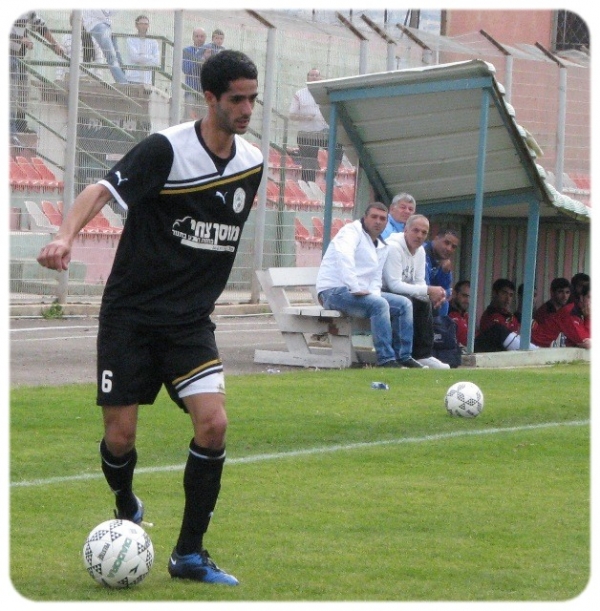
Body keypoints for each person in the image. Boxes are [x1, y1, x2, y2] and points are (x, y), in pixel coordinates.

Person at [37, 50, 264, 586]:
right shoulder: (166, 149)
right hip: (131, 317)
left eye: (253, 99)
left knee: (214, 424)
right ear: (210, 97)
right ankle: (125, 501)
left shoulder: (252, 163)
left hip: (189, 323)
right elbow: (102, 190)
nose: (246, 109)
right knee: (120, 438)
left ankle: (189, 555)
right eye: (237, 99)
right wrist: (65, 236)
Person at [316, 202, 425, 368]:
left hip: (361, 294)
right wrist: (354, 287)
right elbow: (344, 258)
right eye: (374, 217)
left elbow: (376, 278)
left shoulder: (382, 245)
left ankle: (404, 356)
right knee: (379, 305)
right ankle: (386, 359)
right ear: (365, 217)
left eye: (382, 218)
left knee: (404, 304)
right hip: (333, 292)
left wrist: (373, 294)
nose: (378, 221)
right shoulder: (351, 232)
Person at [382, 214, 451, 369]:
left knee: (424, 301)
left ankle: (423, 355)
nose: (419, 235)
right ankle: (403, 355)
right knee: (406, 303)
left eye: (424, 232)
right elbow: (393, 285)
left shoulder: (420, 251)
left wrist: (432, 294)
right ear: (406, 230)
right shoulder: (393, 247)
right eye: (416, 230)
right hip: (382, 291)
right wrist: (427, 290)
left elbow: (419, 281)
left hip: (401, 293)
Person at [10, 11, 65, 136]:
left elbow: (40, 25)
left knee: (16, 94)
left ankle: (16, 128)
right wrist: (20, 39)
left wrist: (54, 44)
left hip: (16, 57)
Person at [289, 68, 343, 183]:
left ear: (320, 78)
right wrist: (305, 117)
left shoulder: (326, 93)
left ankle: (330, 176)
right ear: (307, 77)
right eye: (311, 75)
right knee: (309, 165)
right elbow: (292, 115)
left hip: (323, 132)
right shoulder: (299, 94)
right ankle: (309, 186)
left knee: (338, 148)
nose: (314, 77)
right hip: (306, 134)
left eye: (316, 75)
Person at [475, 279, 538, 352]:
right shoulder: (490, 317)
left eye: (511, 295)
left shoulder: (511, 316)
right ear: (494, 293)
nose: (508, 299)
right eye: (504, 293)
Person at [81, 10, 128, 84]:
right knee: (111, 56)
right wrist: (107, 13)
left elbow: (111, 12)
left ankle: (125, 81)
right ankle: (123, 83)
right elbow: (103, 13)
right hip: (96, 25)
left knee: (117, 56)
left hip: (107, 25)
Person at [424, 227, 460, 316]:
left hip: (428, 299)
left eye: (453, 247)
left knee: (444, 302)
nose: (449, 248)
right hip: (413, 294)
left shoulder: (443, 260)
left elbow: (446, 290)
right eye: (446, 243)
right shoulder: (422, 252)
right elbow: (425, 286)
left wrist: (445, 272)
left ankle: (438, 324)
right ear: (436, 239)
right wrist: (443, 293)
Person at [530, 277, 571, 347]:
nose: (565, 296)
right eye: (560, 292)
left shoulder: (566, 310)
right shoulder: (543, 312)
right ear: (552, 292)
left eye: (567, 292)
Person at [125, 14, 160, 85]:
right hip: (132, 78)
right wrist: (150, 57)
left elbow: (156, 61)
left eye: (146, 24)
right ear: (136, 25)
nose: (143, 26)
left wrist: (141, 56)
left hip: (147, 81)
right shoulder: (130, 39)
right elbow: (135, 57)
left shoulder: (153, 41)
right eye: (141, 24)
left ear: (148, 26)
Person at [182, 27, 209, 120]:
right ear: (193, 37)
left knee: (204, 120)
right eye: (197, 36)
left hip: (204, 91)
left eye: (202, 36)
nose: (199, 38)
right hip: (191, 90)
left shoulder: (209, 51)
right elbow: (186, 69)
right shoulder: (187, 51)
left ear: (205, 38)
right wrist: (200, 59)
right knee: (188, 118)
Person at [556, 283, 590, 349]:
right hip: (538, 348)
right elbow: (585, 341)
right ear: (582, 298)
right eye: (590, 297)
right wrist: (589, 317)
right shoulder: (571, 311)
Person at [448, 279, 470, 348]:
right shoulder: (446, 314)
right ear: (454, 294)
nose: (467, 300)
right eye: (464, 296)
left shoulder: (467, 316)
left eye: (470, 297)